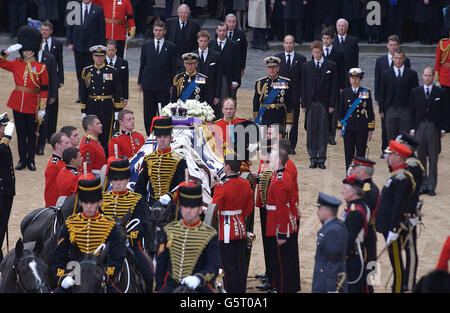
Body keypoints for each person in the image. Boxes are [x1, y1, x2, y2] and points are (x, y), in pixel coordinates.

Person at [53, 174, 125, 293]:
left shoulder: (111, 226)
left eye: (92, 202)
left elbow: (116, 258)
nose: (89, 206)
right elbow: (59, 257)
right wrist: (63, 278)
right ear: (80, 203)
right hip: (74, 274)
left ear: (100, 202)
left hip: (99, 274)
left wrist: (105, 275)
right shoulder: (69, 225)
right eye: (86, 203)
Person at [155, 181, 221, 293]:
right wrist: (157, 289)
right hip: (171, 286)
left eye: (192, 207)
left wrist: (198, 278)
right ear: (180, 208)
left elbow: (213, 267)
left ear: (200, 209)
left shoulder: (210, 234)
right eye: (185, 206)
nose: (188, 210)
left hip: (199, 287)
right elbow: (161, 263)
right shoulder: (169, 230)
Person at [100, 156, 154, 292]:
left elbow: (142, 223)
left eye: (122, 179)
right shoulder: (102, 199)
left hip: (129, 244)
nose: (118, 183)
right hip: (103, 244)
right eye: (115, 180)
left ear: (128, 179)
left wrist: (130, 237)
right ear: (111, 180)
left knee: (149, 276)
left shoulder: (137, 199)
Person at [0, 26, 49, 172]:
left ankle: (31, 160)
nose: (26, 53)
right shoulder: (16, 64)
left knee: (31, 134)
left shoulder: (41, 68)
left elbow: (44, 90)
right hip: (17, 103)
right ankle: (22, 160)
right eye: (25, 50)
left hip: (32, 104)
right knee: (20, 134)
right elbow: (1, 62)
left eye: (29, 50)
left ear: (33, 50)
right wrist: (6, 52)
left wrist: (42, 108)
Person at [375, 140, 415, 293]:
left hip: (394, 228)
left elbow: (399, 206)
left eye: (391, 154)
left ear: (399, 157)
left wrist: (393, 228)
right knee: (395, 262)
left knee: (396, 264)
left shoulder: (401, 178)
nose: (388, 157)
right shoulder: (396, 175)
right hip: (389, 226)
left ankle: (398, 289)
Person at [211, 155, 253, 293]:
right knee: (240, 264)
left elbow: (215, 208)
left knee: (228, 267)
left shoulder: (221, 187)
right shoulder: (245, 184)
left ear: (227, 167)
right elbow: (248, 211)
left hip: (226, 231)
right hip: (240, 228)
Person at [265, 148, 299, 293]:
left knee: (281, 261)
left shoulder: (279, 180)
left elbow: (281, 208)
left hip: (277, 224)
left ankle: (283, 288)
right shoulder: (279, 175)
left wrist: (282, 233)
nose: (269, 160)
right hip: (280, 221)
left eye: (272, 158)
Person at [410, 66, 448, 196]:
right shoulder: (415, 91)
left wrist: (443, 128)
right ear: (422, 76)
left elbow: (445, 111)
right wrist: (412, 128)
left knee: (433, 157)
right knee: (420, 158)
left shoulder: (440, 92)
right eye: (425, 75)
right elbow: (412, 111)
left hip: (433, 127)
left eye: (429, 75)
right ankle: (422, 184)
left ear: (433, 76)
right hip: (420, 126)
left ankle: (431, 185)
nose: (427, 78)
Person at [134, 117, 187, 208]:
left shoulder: (180, 160)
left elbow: (183, 186)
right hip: (151, 207)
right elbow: (140, 187)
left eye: (166, 137)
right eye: (159, 137)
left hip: (172, 207)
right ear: (156, 138)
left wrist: (170, 196)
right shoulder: (148, 159)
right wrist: (144, 206)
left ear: (171, 138)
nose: (162, 140)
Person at [301, 40, 338, 169]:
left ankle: (321, 158)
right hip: (311, 103)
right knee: (311, 130)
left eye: (318, 52)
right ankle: (312, 157)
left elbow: (334, 86)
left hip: (324, 103)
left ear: (322, 51)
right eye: (314, 52)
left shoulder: (331, 65)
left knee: (323, 131)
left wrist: (332, 104)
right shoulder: (307, 66)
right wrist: (304, 104)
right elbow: (303, 86)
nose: (316, 54)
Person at [395, 133, 424, 291]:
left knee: (410, 249)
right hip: (401, 211)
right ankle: (403, 278)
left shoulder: (412, 165)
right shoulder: (405, 162)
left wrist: (411, 213)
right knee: (401, 247)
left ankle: (410, 281)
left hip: (408, 213)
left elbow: (411, 192)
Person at [80, 45, 124, 149]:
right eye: (96, 56)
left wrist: (118, 110)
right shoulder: (87, 71)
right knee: (92, 131)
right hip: (92, 104)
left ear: (105, 56)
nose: (98, 58)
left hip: (107, 106)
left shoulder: (112, 71)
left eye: (101, 56)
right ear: (93, 57)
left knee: (106, 131)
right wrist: (83, 110)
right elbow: (83, 92)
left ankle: (105, 154)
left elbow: (118, 91)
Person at [375, 35, 412, 157]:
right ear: (387, 46)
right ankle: (385, 148)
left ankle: (400, 150)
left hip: (402, 103)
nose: (392, 47)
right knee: (386, 127)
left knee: (401, 128)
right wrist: (377, 98)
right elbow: (378, 81)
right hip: (386, 100)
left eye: (395, 45)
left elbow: (409, 82)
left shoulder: (405, 61)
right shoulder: (380, 61)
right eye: (391, 45)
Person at [138, 20, 176, 136]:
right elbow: (142, 64)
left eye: (160, 30)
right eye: (156, 30)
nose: (158, 33)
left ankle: (163, 133)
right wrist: (140, 82)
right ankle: (149, 135)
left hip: (164, 86)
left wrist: (172, 85)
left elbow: (173, 67)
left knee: (163, 112)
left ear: (164, 31)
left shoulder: (170, 47)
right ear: (153, 31)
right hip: (148, 84)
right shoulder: (146, 45)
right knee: (148, 112)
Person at [349, 156, 379, 293]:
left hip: (365, 234)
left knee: (367, 272)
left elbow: (360, 216)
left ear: (363, 172)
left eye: (355, 167)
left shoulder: (367, 191)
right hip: (368, 233)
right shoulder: (366, 187)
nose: (352, 169)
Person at [66, 0, 105, 103]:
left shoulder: (98, 10)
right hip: (78, 45)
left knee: (92, 71)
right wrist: (69, 42)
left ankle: (92, 93)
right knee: (80, 72)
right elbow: (70, 26)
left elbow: (102, 29)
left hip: (92, 47)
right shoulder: (74, 8)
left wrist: (101, 46)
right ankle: (81, 95)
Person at [379, 47, 419, 142]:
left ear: (404, 59)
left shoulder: (412, 74)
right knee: (391, 136)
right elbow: (382, 92)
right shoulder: (385, 74)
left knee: (404, 137)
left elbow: (416, 94)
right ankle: (392, 156)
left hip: (406, 110)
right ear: (393, 58)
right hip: (391, 109)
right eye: (396, 58)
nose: (398, 60)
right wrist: (381, 109)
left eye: (400, 58)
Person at [338, 68, 375, 170]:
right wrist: (340, 127)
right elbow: (341, 110)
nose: (354, 80)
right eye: (352, 78)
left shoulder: (365, 92)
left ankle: (360, 174)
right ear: (349, 79)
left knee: (361, 153)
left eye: (356, 78)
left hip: (361, 127)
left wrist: (370, 129)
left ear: (360, 79)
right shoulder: (345, 92)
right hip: (348, 127)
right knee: (348, 153)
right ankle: (349, 173)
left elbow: (370, 111)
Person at [275, 35, 307, 154]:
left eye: (290, 43)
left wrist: (302, 98)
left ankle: (291, 146)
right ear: (283, 44)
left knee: (293, 122)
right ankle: (280, 144)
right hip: (280, 97)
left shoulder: (301, 59)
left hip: (294, 96)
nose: (288, 45)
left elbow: (303, 80)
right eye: (286, 43)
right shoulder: (277, 58)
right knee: (280, 121)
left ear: (294, 44)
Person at [312, 192, 348, 293]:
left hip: (326, 284)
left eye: (319, 208)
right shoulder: (331, 226)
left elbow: (333, 261)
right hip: (322, 280)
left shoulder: (333, 230)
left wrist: (332, 288)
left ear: (327, 211)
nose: (317, 212)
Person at [341, 174, 370, 293]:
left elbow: (350, 238)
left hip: (352, 256)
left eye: (344, 189)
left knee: (352, 287)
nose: (341, 191)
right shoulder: (360, 205)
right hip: (357, 253)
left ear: (353, 192)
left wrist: (340, 257)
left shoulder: (355, 212)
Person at [40, 21, 64, 143]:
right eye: (42, 29)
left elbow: (60, 62)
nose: (44, 32)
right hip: (40, 78)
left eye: (46, 30)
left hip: (53, 78)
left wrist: (61, 79)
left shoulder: (57, 43)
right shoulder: (37, 43)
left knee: (53, 107)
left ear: (51, 31)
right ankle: (41, 133)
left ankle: (50, 134)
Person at [253, 56, 293, 130]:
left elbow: (289, 103)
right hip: (265, 115)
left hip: (279, 115)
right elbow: (256, 103)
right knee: (264, 140)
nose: (271, 69)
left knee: (279, 139)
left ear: (278, 68)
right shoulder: (260, 83)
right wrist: (256, 120)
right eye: (269, 67)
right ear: (266, 69)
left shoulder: (285, 82)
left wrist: (289, 122)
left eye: (274, 67)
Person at [321, 27, 345, 146]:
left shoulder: (338, 54)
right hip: (321, 87)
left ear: (332, 40)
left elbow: (341, 72)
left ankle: (331, 135)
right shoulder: (318, 52)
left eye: (328, 38)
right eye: (324, 38)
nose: (325, 41)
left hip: (333, 87)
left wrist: (341, 87)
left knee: (332, 113)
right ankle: (323, 135)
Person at [209, 22, 241, 106]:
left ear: (227, 31)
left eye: (224, 30)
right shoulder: (210, 44)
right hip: (212, 77)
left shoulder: (234, 45)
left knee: (225, 99)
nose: (222, 33)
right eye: (220, 30)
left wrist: (236, 80)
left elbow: (237, 64)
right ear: (216, 31)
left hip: (226, 77)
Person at [36, 41, 58, 156]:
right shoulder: (30, 57)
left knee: (43, 120)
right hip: (32, 94)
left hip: (45, 94)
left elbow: (54, 77)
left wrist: (53, 95)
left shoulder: (49, 57)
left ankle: (41, 146)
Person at [165, 4, 200, 72]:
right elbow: (166, 39)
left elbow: (197, 41)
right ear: (178, 13)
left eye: (185, 13)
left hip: (189, 57)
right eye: (181, 13)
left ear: (189, 14)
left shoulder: (195, 24)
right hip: (173, 55)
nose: (183, 15)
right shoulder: (169, 22)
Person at [195, 30, 222, 115]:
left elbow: (219, 77)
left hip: (211, 93)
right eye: (201, 41)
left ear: (208, 41)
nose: (203, 43)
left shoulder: (216, 56)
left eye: (205, 41)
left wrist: (217, 96)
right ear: (197, 41)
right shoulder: (192, 55)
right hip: (195, 91)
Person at [0, 114, 15, 262]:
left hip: (6, 191)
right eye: (4, 126)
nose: (6, 129)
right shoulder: (3, 143)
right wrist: (7, 138)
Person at [44, 132, 71, 207]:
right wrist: (52, 208)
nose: (70, 145)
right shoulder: (54, 165)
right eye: (67, 143)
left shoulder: (63, 161)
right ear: (58, 145)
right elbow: (51, 191)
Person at [334, 18, 359, 85]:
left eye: (343, 26)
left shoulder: (353, 41)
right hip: (335, 74)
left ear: (346, 28)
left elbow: (355, 60)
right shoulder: (332, 40)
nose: (341, 28)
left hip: (348, 74)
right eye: (339, 25)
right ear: (336, 27)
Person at [105, 40, 129, 109]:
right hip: (105, 96)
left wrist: (125, 98)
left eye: (112, 50)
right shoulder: (101, 62)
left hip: (118, 95)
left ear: (116, 50)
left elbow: (125, 81)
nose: (110, 52)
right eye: (109, 50)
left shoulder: (123, 62)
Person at [225, 14, 247, 84]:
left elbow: (243, 52)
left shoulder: (241, 34)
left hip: (236, 66)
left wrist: (242, 68)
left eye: (233, 22)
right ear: (225, 22)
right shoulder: (221, 32)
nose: (231, 24)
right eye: (229, 22)